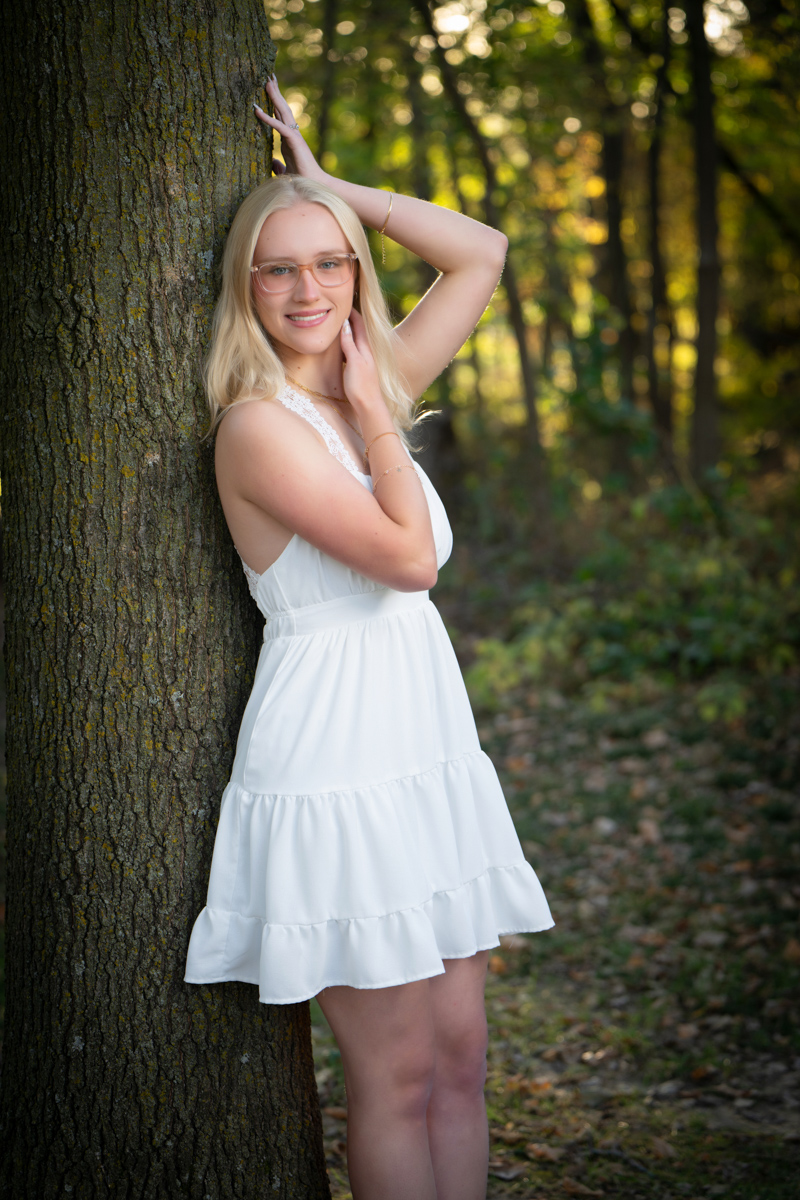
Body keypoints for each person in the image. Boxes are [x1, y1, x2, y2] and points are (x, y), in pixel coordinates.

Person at [185, 75, 553, 1200]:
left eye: (329, 262)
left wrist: (331, 186)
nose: (308, 289)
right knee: (395, 1079)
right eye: (278, 268)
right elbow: (409, 560)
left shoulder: (367, 381)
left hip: (423, 752)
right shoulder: (258, 427)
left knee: (461, 1061)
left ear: (354, 269)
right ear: (245, 287)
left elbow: (481, 253)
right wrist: (378, 415)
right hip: (336, 766)